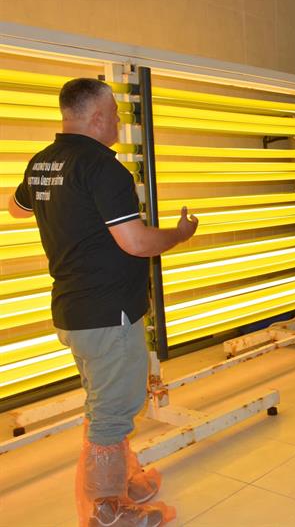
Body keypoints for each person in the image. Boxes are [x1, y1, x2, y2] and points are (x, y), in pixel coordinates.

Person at [8, 78, 198, 526]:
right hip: (109, 312)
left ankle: (122, 480)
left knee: (105, 401)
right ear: (96, 117)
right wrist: (178, 234)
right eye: (114, 114)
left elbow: (16, 208)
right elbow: (135, 242)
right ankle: (108, 510)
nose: (117, 121)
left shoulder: (42, 163)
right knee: (114, 411)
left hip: (74, 310)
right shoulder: (103, 168)